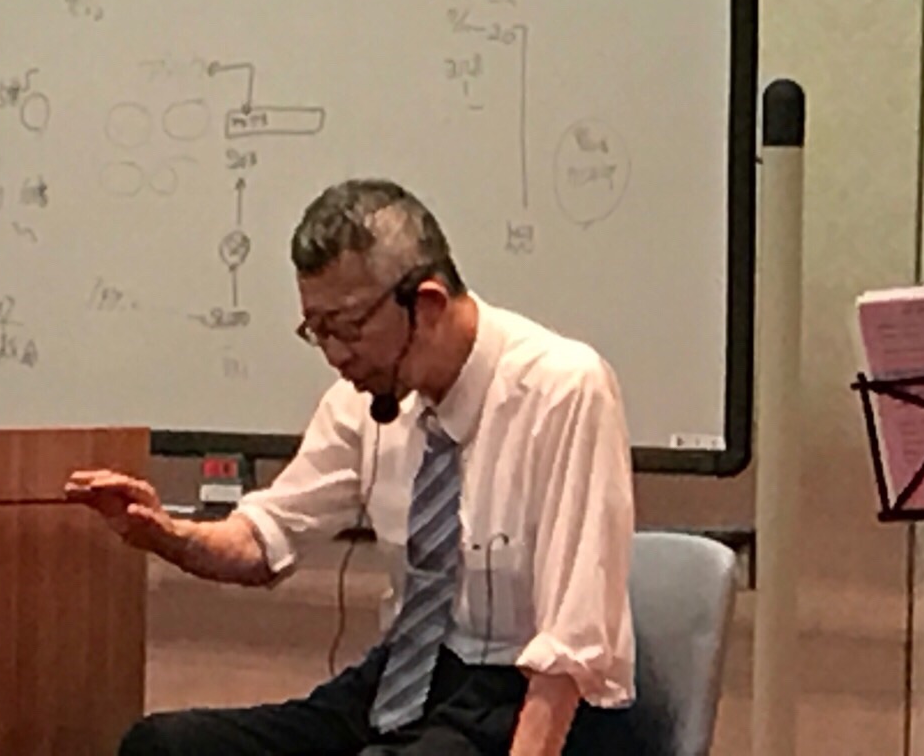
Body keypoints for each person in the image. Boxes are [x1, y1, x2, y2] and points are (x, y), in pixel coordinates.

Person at [66, 178, 638, 756]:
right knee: (165, 747)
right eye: (317, 332)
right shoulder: (364, 400)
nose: (336, 355)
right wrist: (167, 534)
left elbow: (572, 647)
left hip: (524, 695)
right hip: (403, 676)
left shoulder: (563, 390)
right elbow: (266, 539)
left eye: (348, 328)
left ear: (427, 304)